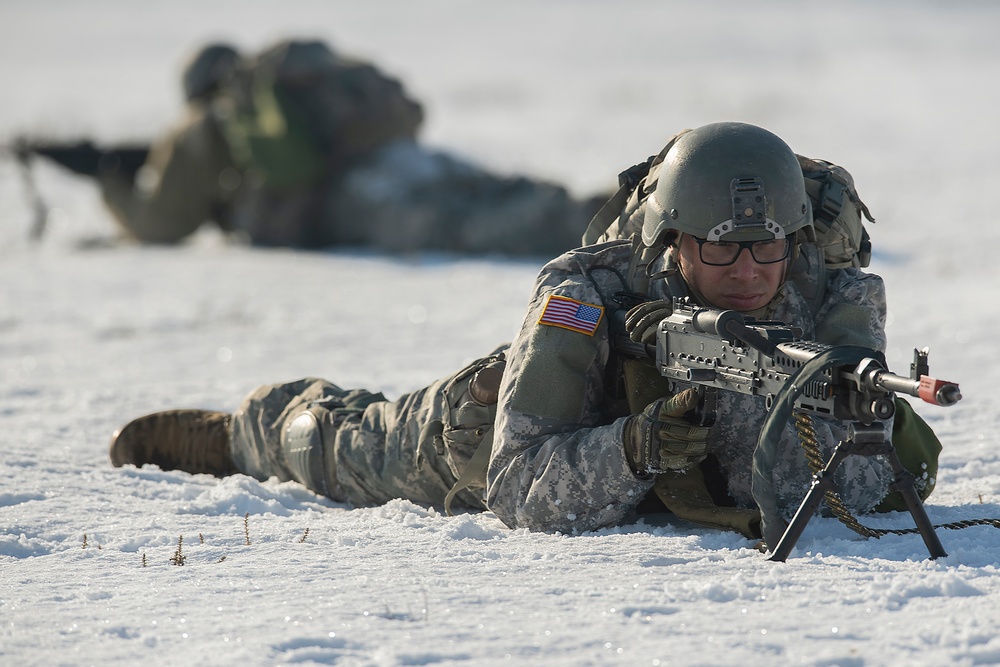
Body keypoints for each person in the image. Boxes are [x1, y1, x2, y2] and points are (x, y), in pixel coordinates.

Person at [109, 122, 941, 546]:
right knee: (351, 445)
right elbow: (516, 483)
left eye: (769, 245)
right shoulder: (588, 287)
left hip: (667, 468)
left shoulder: (831, 289)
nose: (753, 268)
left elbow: (845, 487)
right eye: (722, 245)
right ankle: (243, 430)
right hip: (511, 425)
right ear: (674, 238)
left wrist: (760, 408)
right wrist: (634, 450)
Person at [96, 39, 598, 255]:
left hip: (354, 189)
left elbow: (161, 222)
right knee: (493, 190)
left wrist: (109, 180)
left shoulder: (215, 114)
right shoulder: (294, 75)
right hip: (405, 153)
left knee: (458, 225)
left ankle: (591, 226)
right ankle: (610, 210)